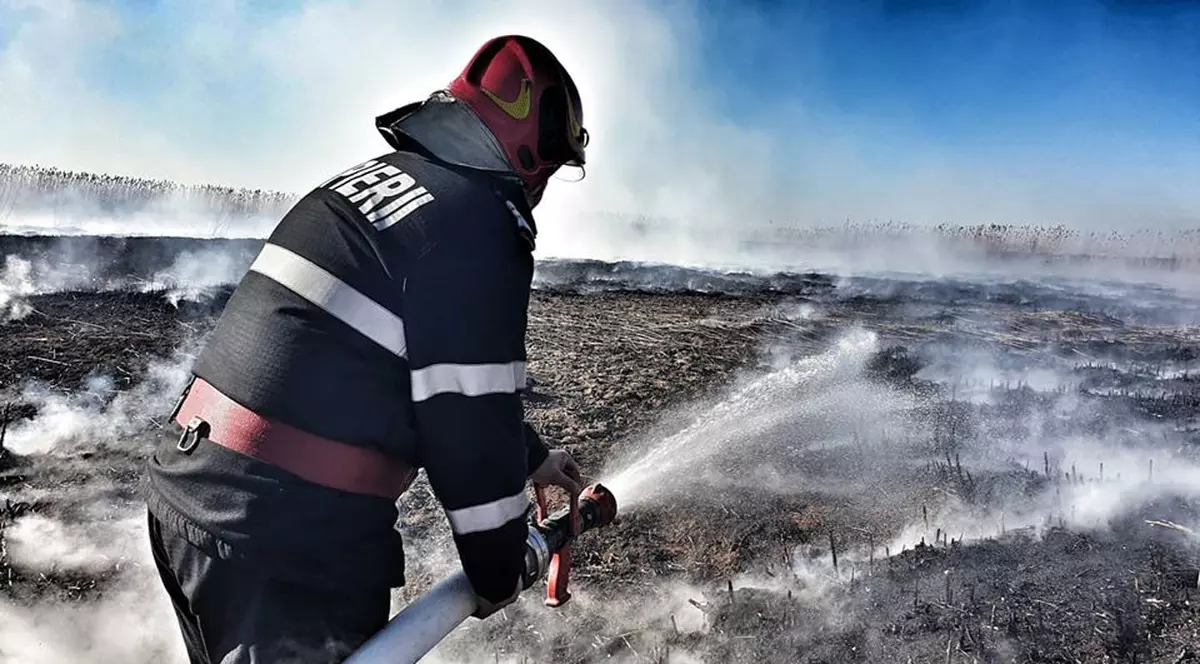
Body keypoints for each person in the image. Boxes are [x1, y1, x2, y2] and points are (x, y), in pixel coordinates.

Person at [143, 34, 590, 663]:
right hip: (286, 548)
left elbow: (391, 363)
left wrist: (533, 457)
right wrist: (504, 561)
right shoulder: (484, 223)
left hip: (193, 492)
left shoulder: (374, 187)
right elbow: (466, 420)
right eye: (551, 164)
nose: (544, 185)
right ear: (532, 146)